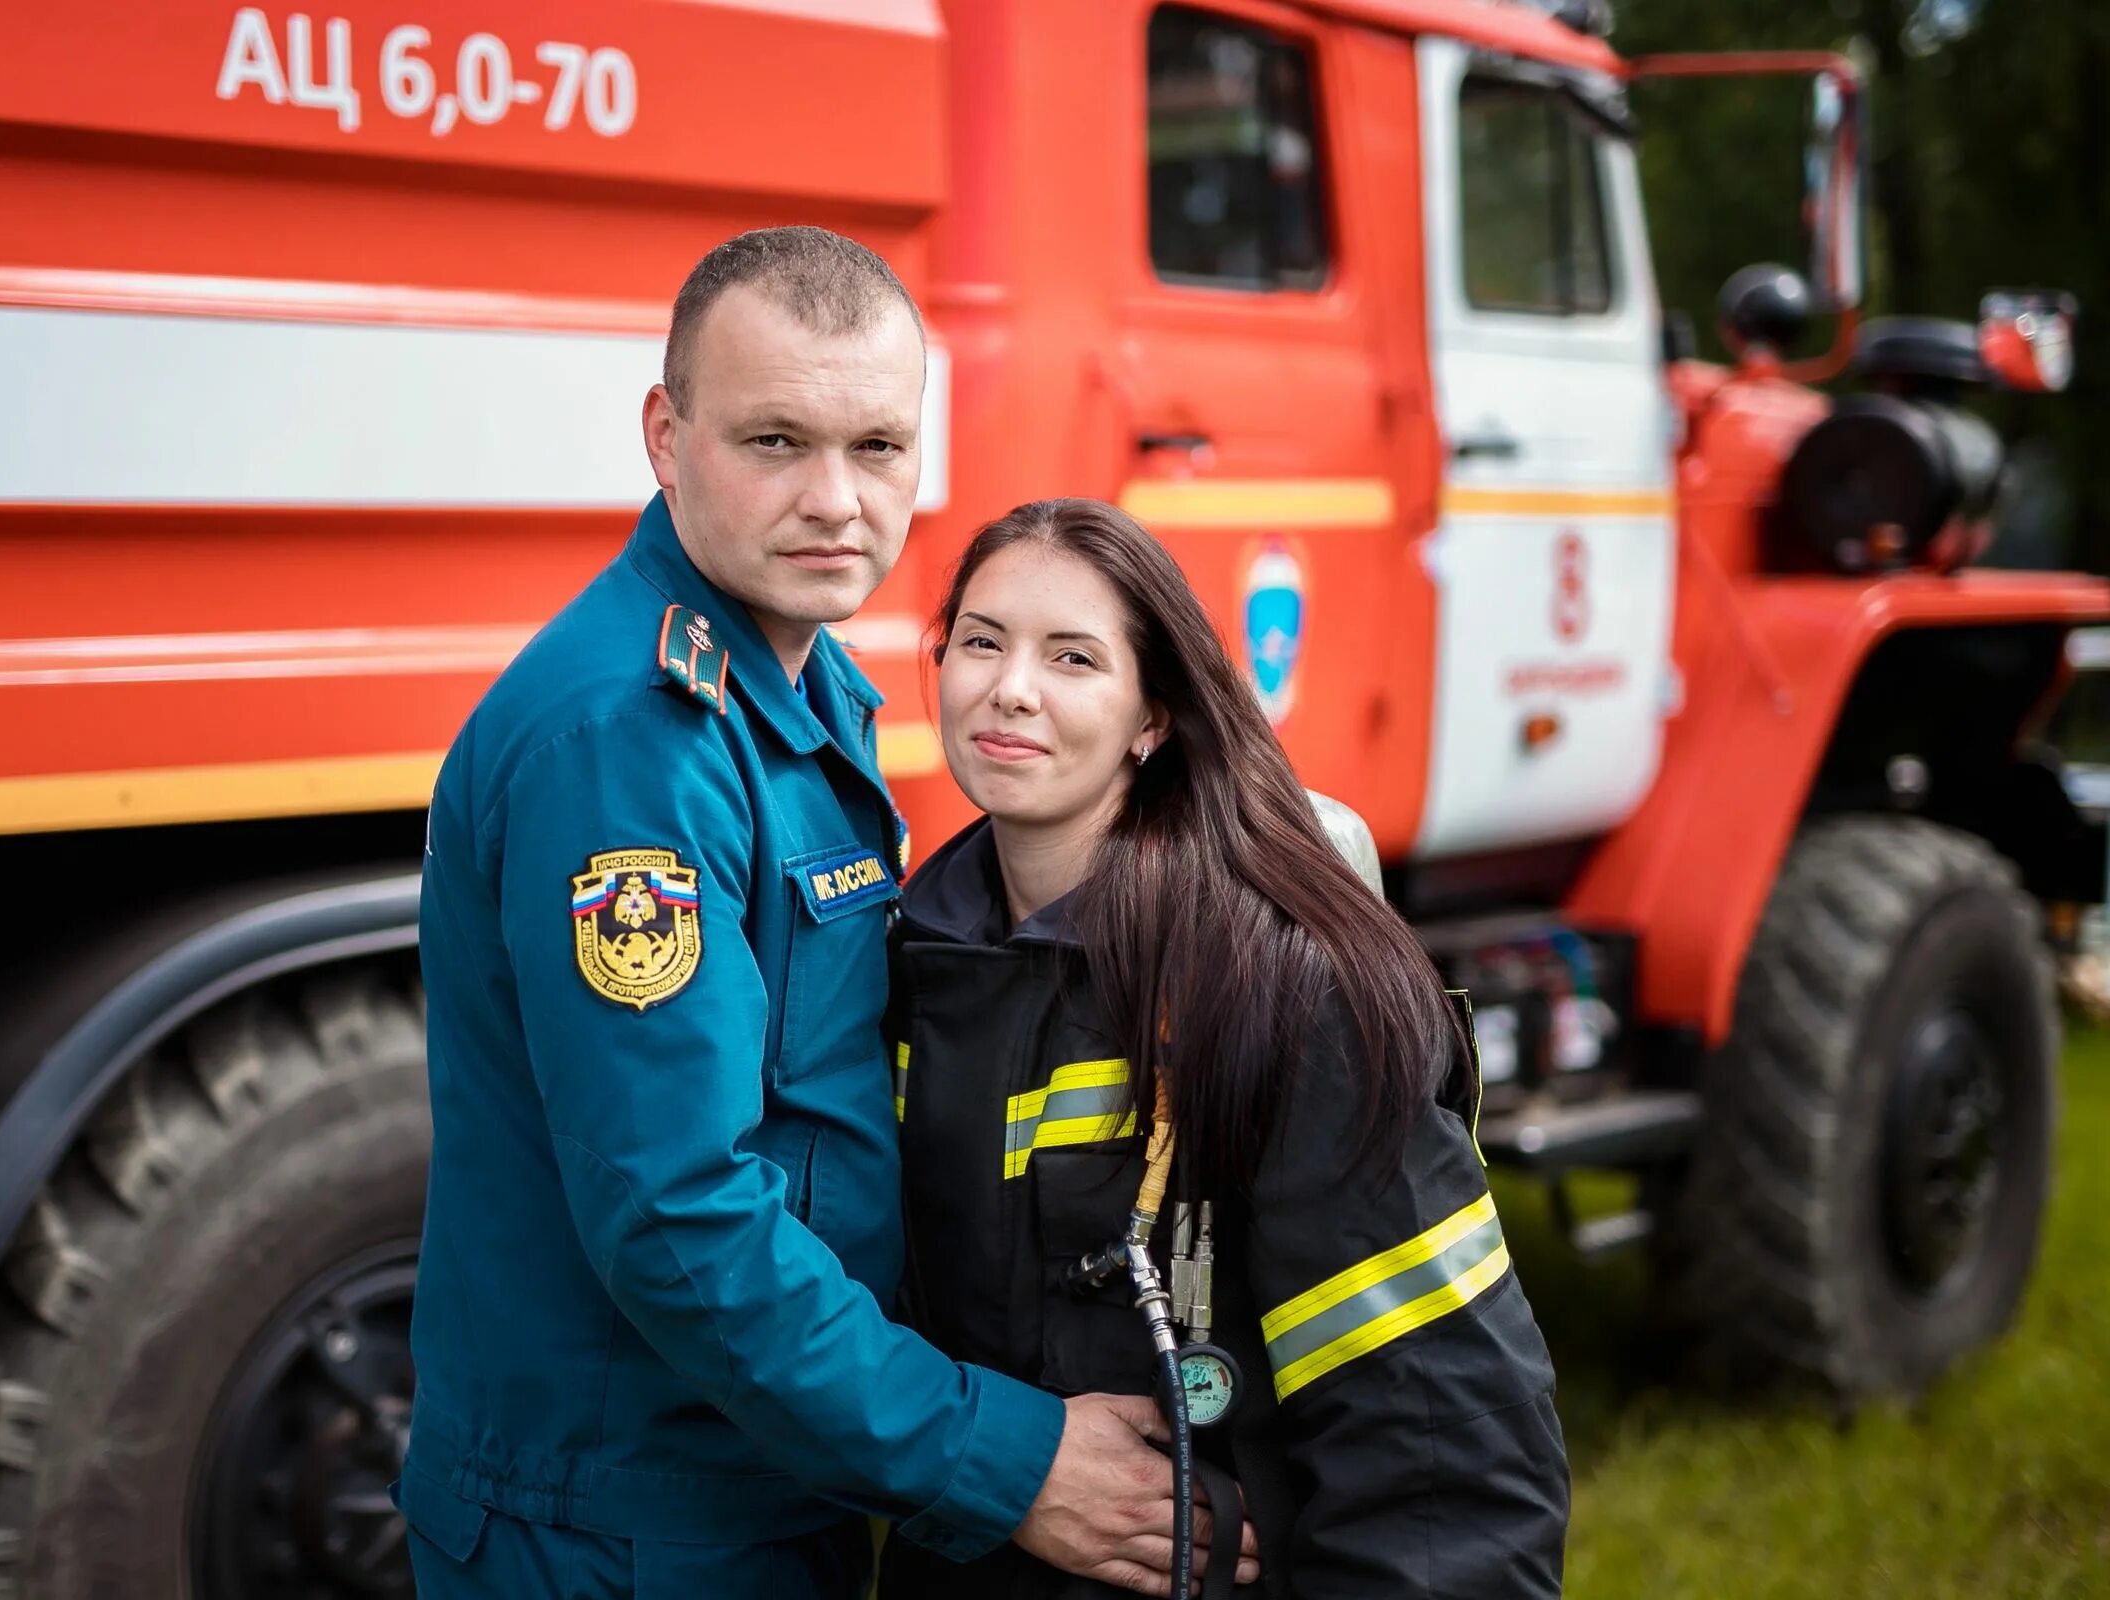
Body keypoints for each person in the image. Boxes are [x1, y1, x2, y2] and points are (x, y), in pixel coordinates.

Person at [404, 231, 1223, 1599]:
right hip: (622, 1523)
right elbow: (678, 1219)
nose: (836, 501)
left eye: (881, 447)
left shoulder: (793, 678)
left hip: (754, 1472)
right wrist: (1003, 1459)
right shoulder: (633, 746)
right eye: (775, 442)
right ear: (667, 437)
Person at [880, 498, 1572, 1598]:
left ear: (1152, 717)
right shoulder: (908, 965)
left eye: (1072, 656)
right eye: (980, 640)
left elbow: (1444, 1453)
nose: (1011, 687)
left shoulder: (1282, 990)